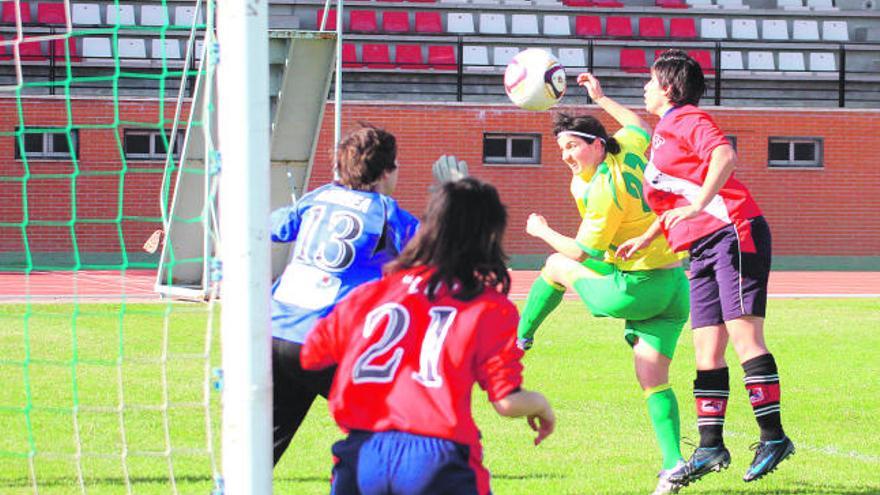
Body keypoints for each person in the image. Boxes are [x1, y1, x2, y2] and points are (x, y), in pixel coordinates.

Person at [300, 177, 555, 495]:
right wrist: (542, 405)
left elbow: (311, 355)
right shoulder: (489, 306)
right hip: (438, 458)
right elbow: (506, 400)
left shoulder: (371, 294)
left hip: (361, 455)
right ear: (489, 236)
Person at [617, 49, 794, 486]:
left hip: (732, 230)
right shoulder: (663, 131)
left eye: (650, 79)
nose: (644, 87)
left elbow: (723, 157)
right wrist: (646, 236)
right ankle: (712, 446)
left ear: (670, 88)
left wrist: (698, 204)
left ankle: (773, 437)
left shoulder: (687, 118)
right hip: (700, 244)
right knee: (705, 351)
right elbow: (678, 199)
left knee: (744, 337)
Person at [517, 73, 690, 495]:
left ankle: (519, 340)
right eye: (561, 149)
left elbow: (579, 254)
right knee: (652, 377)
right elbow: (638, 126)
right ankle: (674, 465)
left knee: (556, 263)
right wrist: (601, 97)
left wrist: (540, 229)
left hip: (637, 288)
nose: (566, 156)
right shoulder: (627, 147)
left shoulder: (601, 191)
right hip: (673, 287)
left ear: (596, 144)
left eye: (572, 146)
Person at [270, 124, 419, 466]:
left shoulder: (318, 197)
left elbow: (271, 227)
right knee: (399, 424)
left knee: (266, 443)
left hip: (275, 330)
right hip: (323, 340)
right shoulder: (386, 212)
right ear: (385, 171)